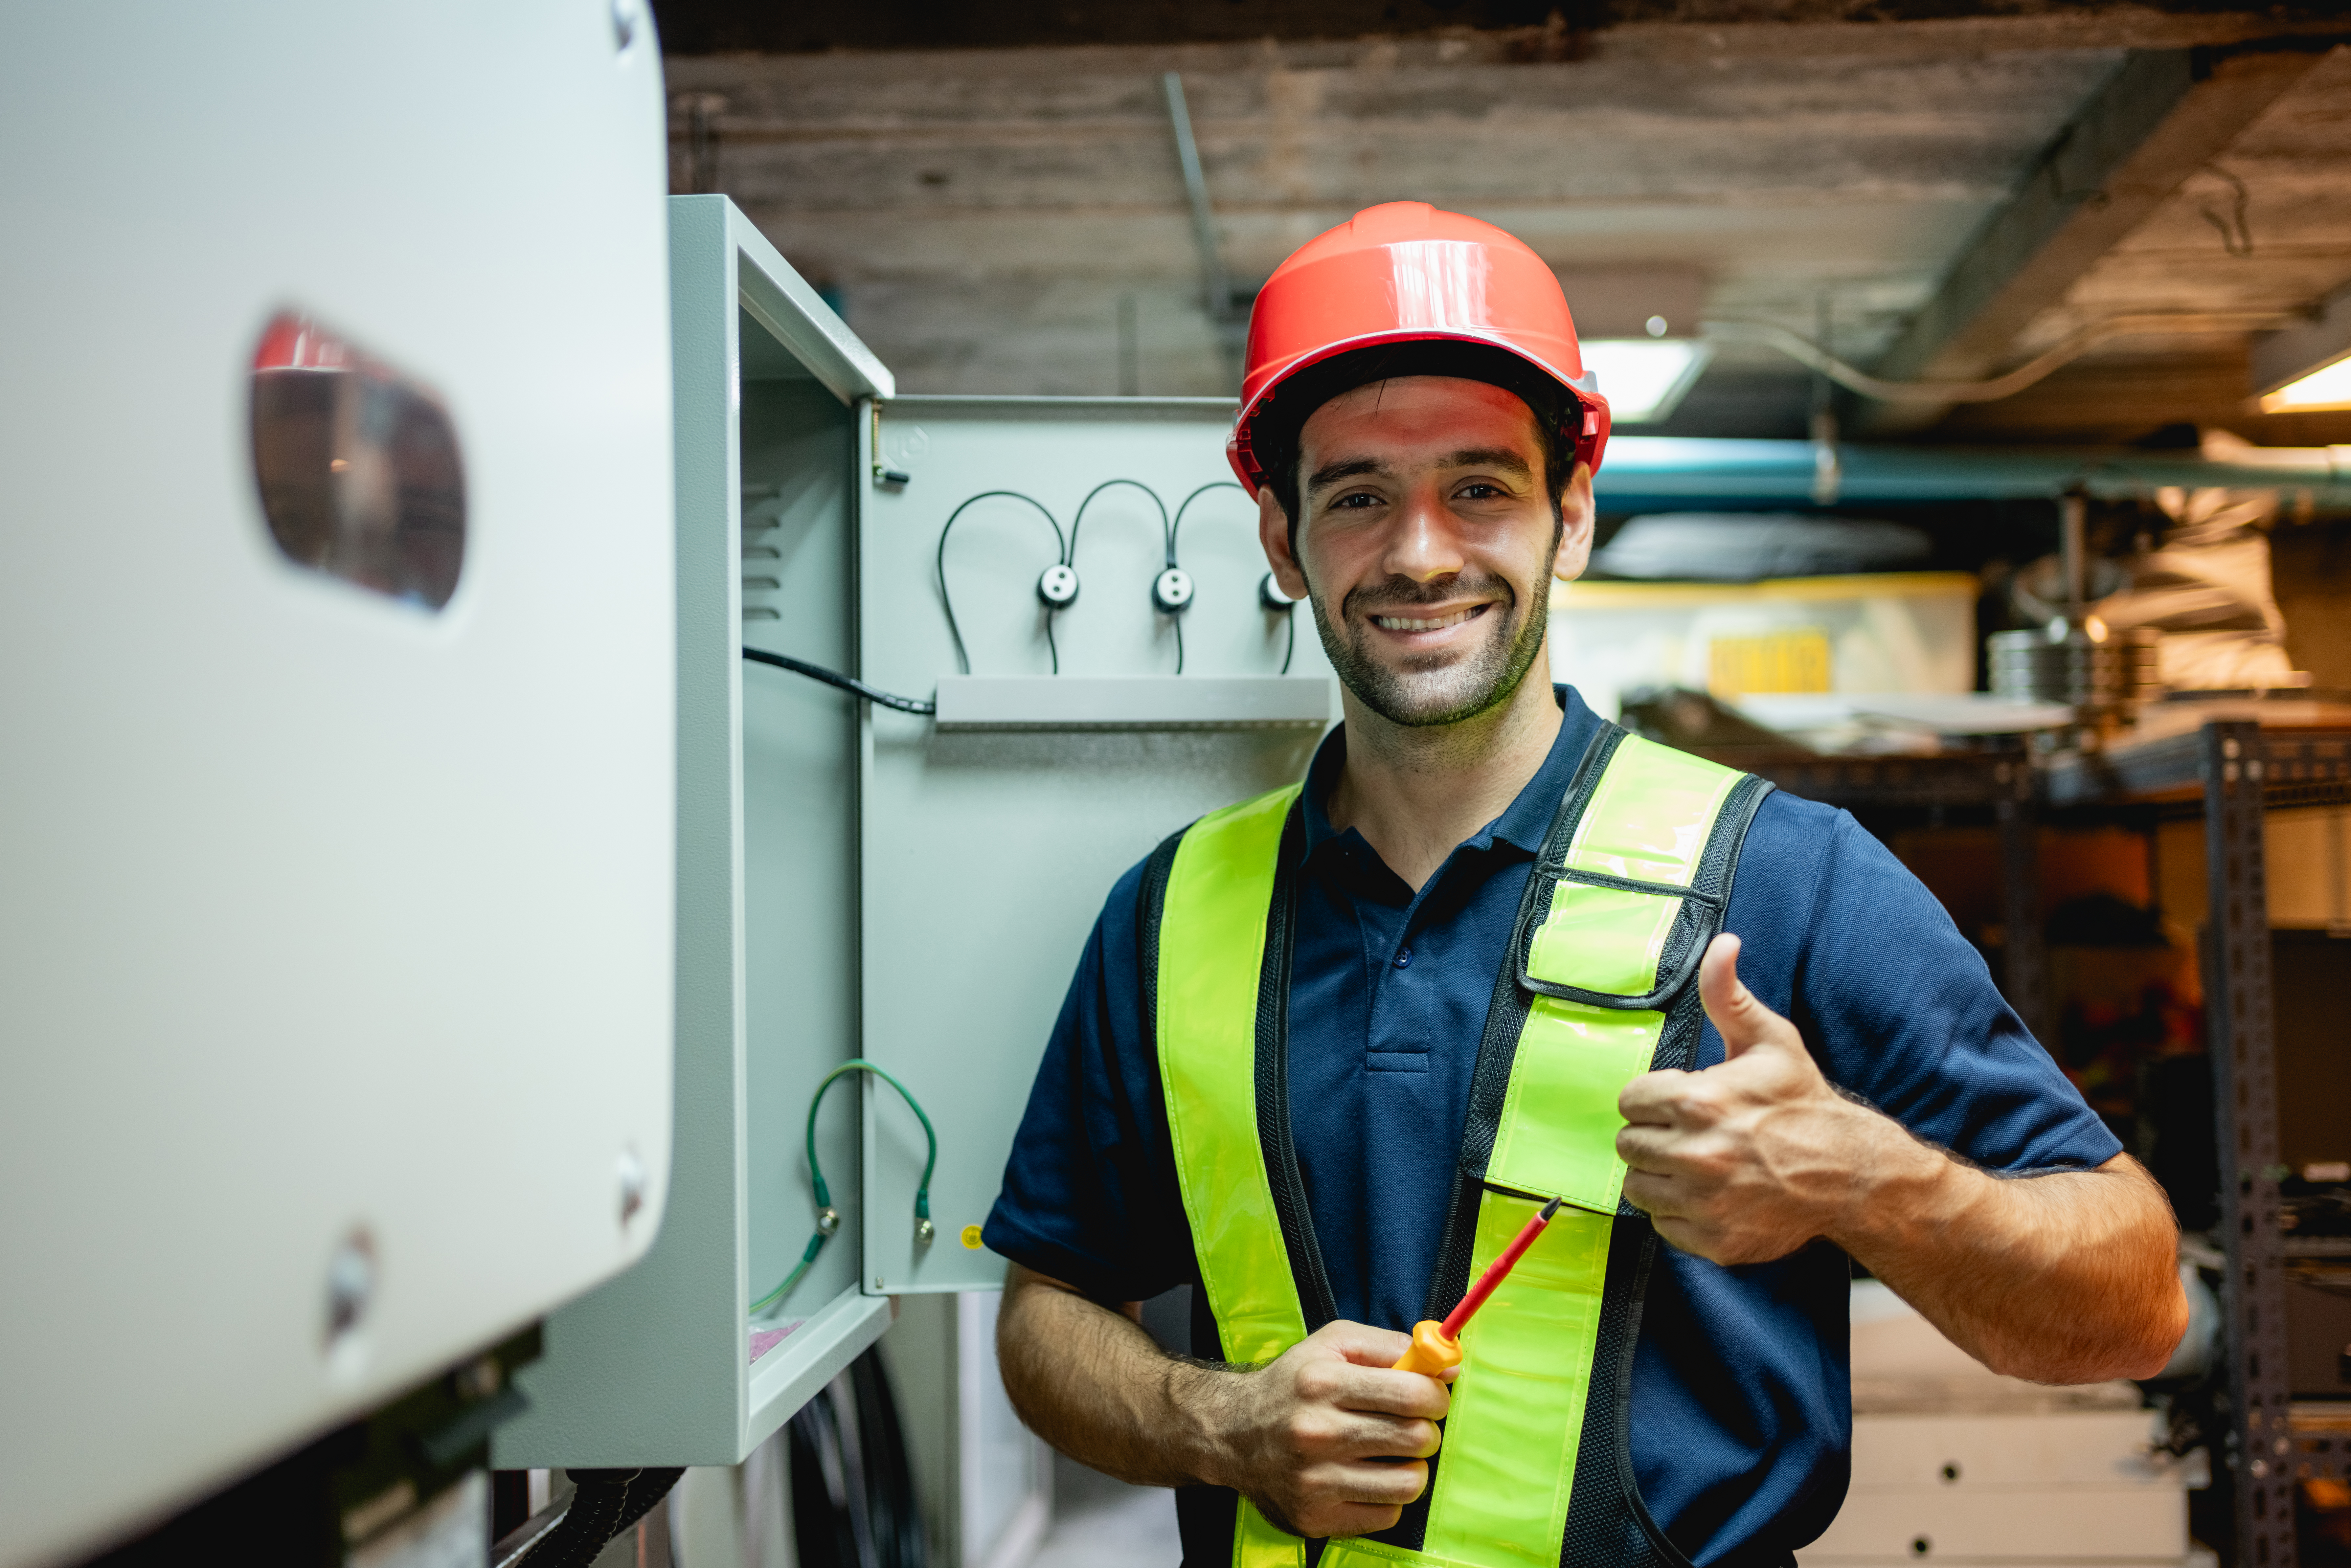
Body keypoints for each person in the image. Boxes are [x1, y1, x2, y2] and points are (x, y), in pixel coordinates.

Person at [980, 202, 2187, 1568]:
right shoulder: (1171, 912)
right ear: (1279, 538)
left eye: (1479, 486)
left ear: (1572, 516)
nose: (1421, 552)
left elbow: (2136, 1298)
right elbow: (1044, 1310)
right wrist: (1220, 1423)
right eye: (1358, 494)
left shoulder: (1786, 879)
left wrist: (1866, 1183)